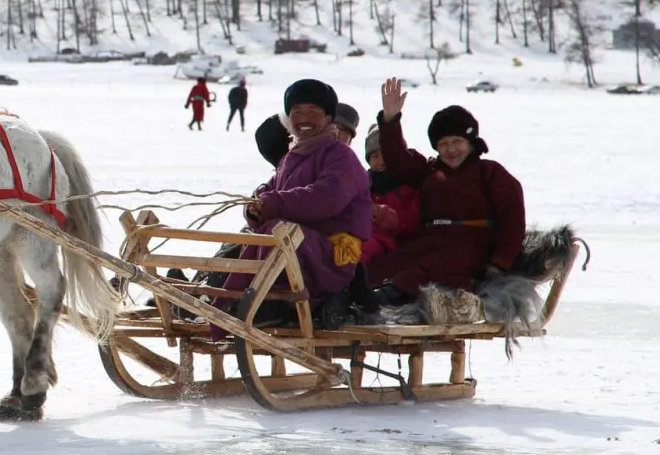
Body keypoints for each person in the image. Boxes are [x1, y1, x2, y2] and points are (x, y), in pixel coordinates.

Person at [218, 79, 373, 328]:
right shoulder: (292, 156)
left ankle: (271, 304)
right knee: (245, 240)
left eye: (313, 112)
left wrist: (272, 204)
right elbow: (270, 190)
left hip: (329, 258)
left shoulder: (341, 156)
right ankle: (219, 297)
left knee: (279, 231)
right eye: (297, 112)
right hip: (300, 252)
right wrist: (255, 206)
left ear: (329, 118)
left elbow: (326, 197)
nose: (304, 118)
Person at [365, 78, 526, 304]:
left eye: (457, 141)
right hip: (430, 242)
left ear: (471, 142)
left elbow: (512, 222)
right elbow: (398, 161)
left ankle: (388, 297)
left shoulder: (490, 173)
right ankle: (361, 297)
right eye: (443, 144)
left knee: (425, 271)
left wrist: (500, 263)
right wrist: (390, 121)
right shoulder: (429, 172)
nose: (451, 150)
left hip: (472, 246)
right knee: (382, 268)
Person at [360, 124, 421, 267]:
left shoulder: (409, 187)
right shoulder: (360, 186)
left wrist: (386, 215)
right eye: (375, 156)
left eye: (387, 155)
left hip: (392, 245)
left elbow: (415, 224)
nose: (381, 161)